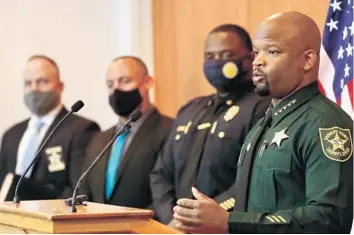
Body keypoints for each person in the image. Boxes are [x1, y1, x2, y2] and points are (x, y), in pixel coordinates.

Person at [172, 11, 353, 234]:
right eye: (257, 53)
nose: (257, 62)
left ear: (307, 60)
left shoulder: (325, 124)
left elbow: (330, 218)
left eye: (272, 52)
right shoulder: (265, 123)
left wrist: (229, 222)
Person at [150, 24, 270, 226]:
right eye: (210, 57)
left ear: (250, 59)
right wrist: (174, 218)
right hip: (176, 228)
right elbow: (161, 174)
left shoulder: (263, 107)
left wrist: (204, 216)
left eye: (226, 55)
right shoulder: (190, 110)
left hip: (225, 225)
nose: (217, 63)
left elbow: (255, 179)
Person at [0, 55, 100, 198]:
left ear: (60, 86)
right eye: (28, 83)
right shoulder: (12, 134)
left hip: (51, 217)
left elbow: (79, 192)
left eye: (42, 81)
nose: (34, 89)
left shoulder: (82, 130)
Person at [81, 56, 172, 209]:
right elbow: (85, 189)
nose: (116, 89)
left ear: (148, 82)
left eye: (125, 81)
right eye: (110, 84)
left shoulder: (170, 130)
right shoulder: (100, 140)